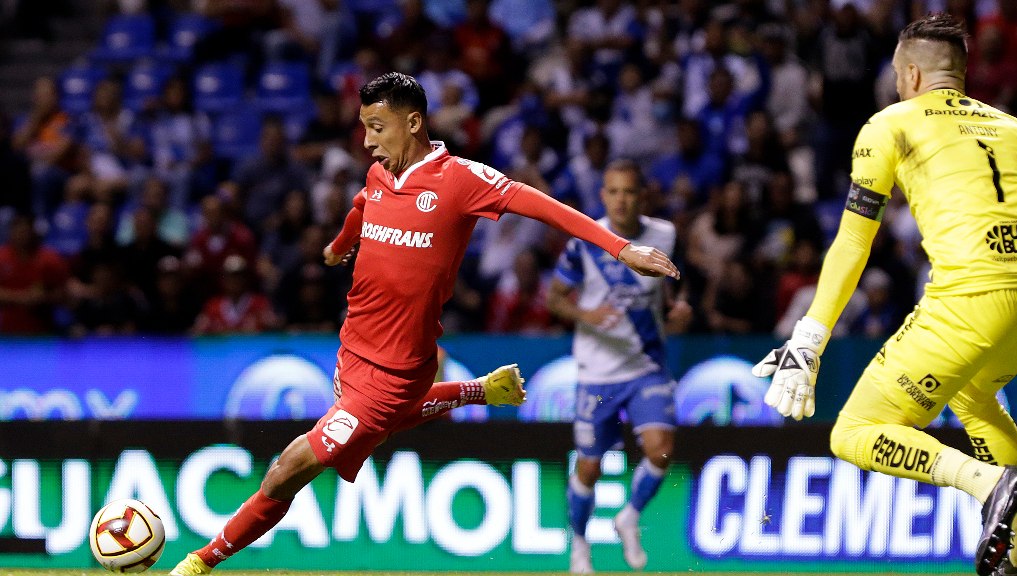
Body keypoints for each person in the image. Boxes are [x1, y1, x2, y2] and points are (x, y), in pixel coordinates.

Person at [168, 72, 678, 576]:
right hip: (352, 351)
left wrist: (622, 247)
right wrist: (341, 245)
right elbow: (362, 207)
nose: (367, 142)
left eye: (376, 127)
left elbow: (541, 207)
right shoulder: (379, 176)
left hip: (396, 372)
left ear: (412, 122)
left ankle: (198, 564)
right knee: (378, 426)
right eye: (363, 128)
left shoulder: (461, 180)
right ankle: (478, 391)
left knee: (287, 470)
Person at [751, 14, 1017, 576]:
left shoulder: (890, 123)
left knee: (854, 433)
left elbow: (855, 240)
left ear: (913, 74)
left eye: (898, 76)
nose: (897, 86)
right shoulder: (1015, 127)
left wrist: (809, 337)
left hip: (970, 299)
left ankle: (992, 483)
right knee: (973, 398)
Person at [547, 159, 691, 574]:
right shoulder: (585, 240)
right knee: (589, 467)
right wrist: (586, 314)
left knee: (661, 451)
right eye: (613, 191)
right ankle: (579, 545)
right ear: (603, 195)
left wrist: (677, 310)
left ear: (642, 196)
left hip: (647, 364)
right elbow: (555, 297)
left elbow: (664, 289)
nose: (621, 200)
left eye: (629, 191)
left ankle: (629, 517)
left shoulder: (665, 234)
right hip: (597, 372)